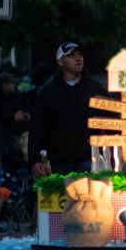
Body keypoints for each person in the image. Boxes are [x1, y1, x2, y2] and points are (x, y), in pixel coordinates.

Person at [28, 43, 106, 177]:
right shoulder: (47, 92)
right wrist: (35, 159)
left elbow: (111, 121)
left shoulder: (96, 89)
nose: (78, 59)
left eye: (80, 55)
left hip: (89, 162)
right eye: (71, 55)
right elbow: (37, 128)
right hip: (56, 165)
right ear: (60, 62)